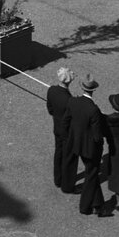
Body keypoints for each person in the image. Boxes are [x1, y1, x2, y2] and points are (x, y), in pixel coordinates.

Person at [66, 75, 111, 215]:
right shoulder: (94, 110)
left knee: (92, 175)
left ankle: (99, 205)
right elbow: (97, 135)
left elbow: (67, 120)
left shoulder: (73, 101)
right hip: (91, 149)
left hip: (77, 144)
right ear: (94, 90)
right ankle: (85, 207)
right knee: (91, 176)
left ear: (82, 88)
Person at [46, 66, 77, 194]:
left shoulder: (52, 90)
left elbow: (50, 109)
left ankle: (58, 179)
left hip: (57, 127)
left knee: (58, 153)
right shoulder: (69, 100)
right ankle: (67, 185)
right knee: (68, 158)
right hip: (67, 132)